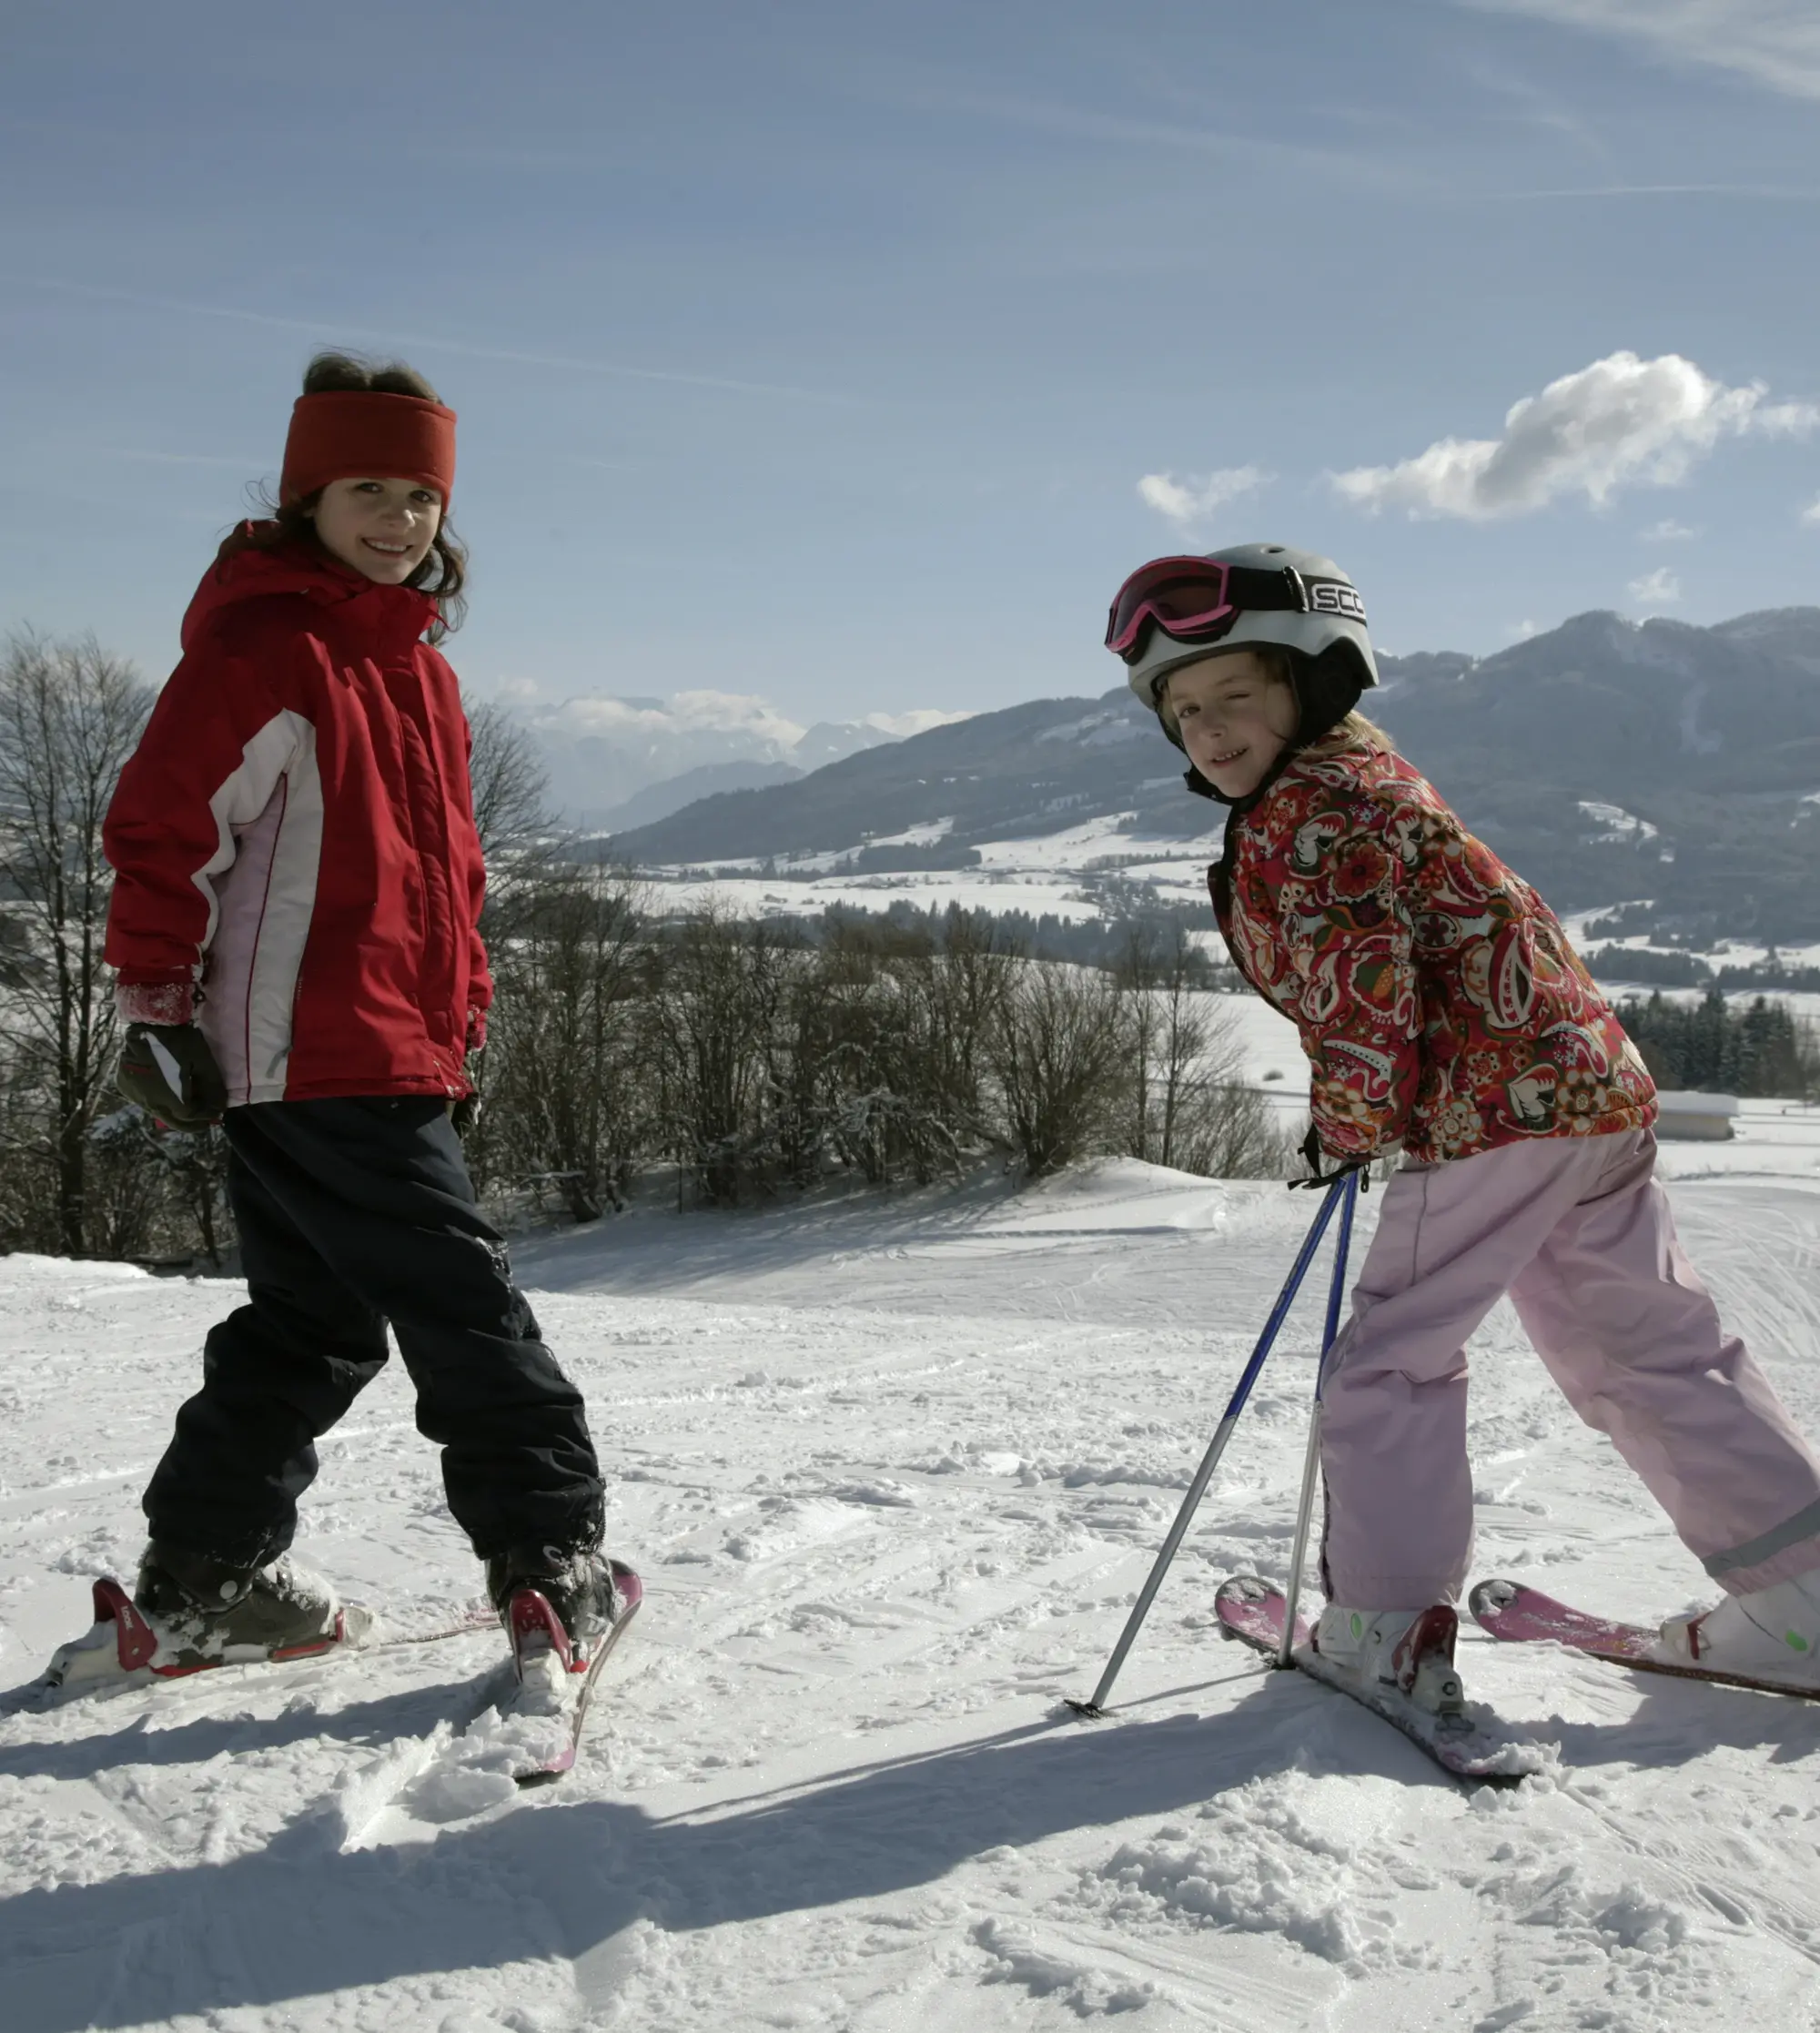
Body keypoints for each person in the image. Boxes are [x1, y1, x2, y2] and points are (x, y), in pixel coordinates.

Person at [1105, 542, 1820, 1703]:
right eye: (1183, 708)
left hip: (1488, 1112)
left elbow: (1363, 991)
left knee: (1386, 1365)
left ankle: (1383, 1625)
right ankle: (1804, 1597)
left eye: (1236, 692)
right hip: (1589, 1089)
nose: (1208, 727)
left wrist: (1346, 1125)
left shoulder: (1305, 811)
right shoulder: (1369, 773)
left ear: (1313, 680)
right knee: (1649, 1347)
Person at [95, 351, 623, 1676]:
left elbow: (448, 879)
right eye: (368, 489)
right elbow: (164, 829)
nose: (399, 518)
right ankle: (551, 1556)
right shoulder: (270, 647)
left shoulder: (418, 672)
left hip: (385, 1046)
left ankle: (205, 1572)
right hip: (309, 1047)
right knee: (466, 1304)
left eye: (422, 497)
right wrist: (156, 1002)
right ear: (307, 499)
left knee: (315, 1320)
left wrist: (464, 1020)